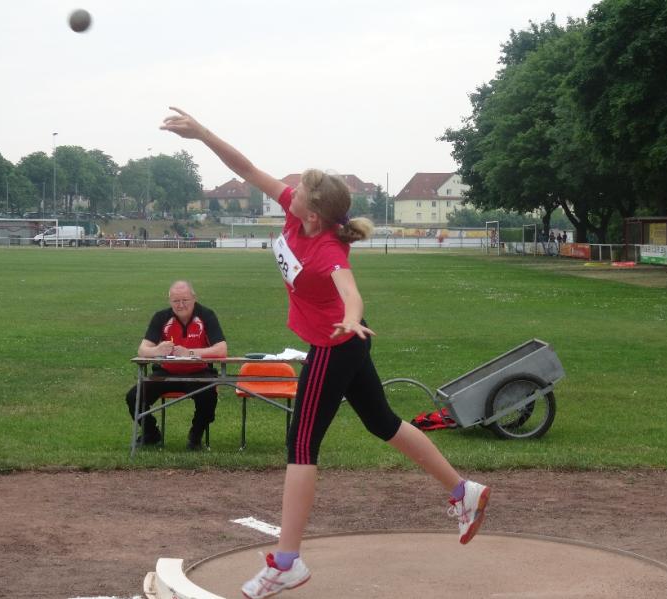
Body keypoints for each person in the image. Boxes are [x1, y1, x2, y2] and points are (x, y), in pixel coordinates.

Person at [161, 108, 491, 598]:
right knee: (382, 422)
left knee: (301, 444)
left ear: (313, 215)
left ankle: (287, 562)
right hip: (346, 342)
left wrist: (352, 317)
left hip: (336, 345)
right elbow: (246, 169)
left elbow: (350, 290)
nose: (288, 191)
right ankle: (464, 491)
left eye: (299, 191)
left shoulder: (328, 250)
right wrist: (203, 133)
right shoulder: (297, 211)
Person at [125, 280, 227, 450]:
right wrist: (157, 350)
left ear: (194, 298)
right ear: (169, 301)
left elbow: (222, 349)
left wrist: (191, 353)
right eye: (176, 301)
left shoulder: (207, 315)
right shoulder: (161, 317)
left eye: (185, 300)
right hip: (166, 372)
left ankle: (195, 436)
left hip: (198, 372)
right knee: (134, 396)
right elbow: (142, 350)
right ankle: (151, 434)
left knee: (209, 396)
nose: (180, 305)